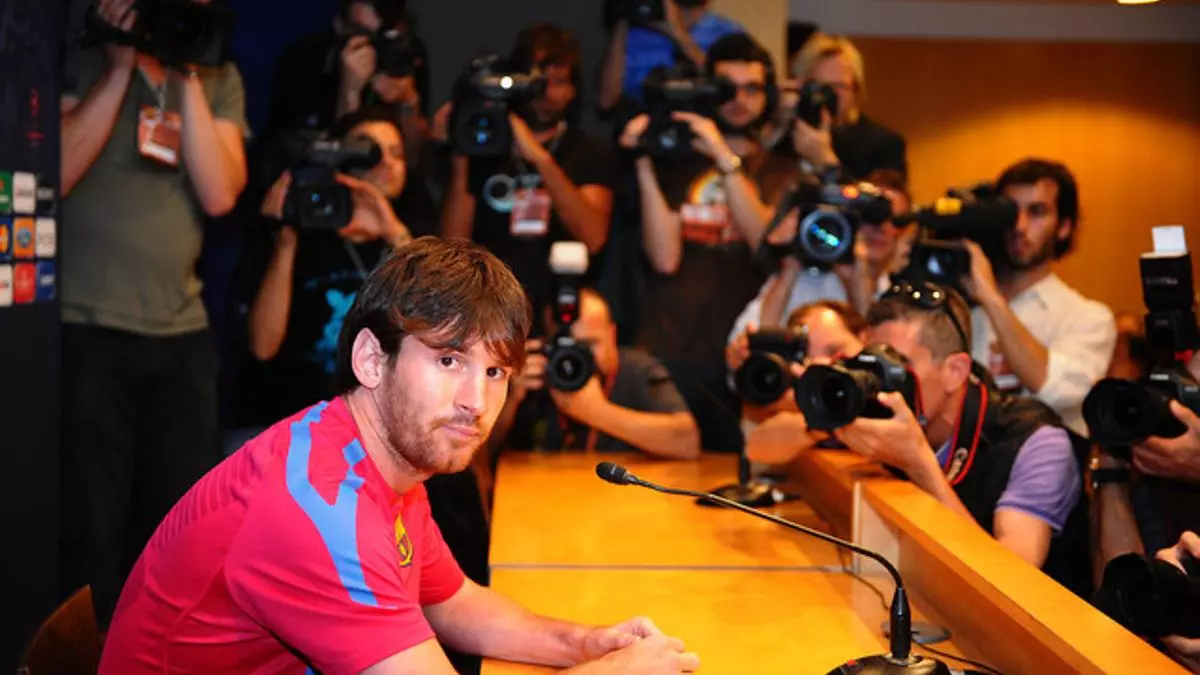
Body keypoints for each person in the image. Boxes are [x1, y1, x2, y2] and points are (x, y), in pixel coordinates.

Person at [98, 237, 702, 674]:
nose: (476, 403)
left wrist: (588, 644)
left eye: (495, 372)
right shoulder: (320, 507)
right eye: (448, 360)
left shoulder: (376, 458)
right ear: (370, 360)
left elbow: (454, 602)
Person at [58, 0, 250, 628]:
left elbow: (221, 193)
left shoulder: (215, 73)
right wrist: (118, 69)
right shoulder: (82, 50)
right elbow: (52, 171)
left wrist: (185, 65)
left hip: (182, 332)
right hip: (89, 326)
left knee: (182, 528)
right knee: (90, 529)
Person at [747, 282, 1088, 589]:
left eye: (897, 366)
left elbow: (1014, 580)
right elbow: (758, 447)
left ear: (954, 371)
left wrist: (918, 463)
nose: (883, 381)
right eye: (874, 363)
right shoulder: (886, 407)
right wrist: (830, 419)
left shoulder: (1037, 441)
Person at [626, 31, 798, 453]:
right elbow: (664, 258)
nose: (739, 99)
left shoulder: (783, 171)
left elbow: (764, 243)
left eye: (752, 88)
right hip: (669, 346)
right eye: (726, 88)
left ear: (768, 96)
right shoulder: (676, 162)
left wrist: (724, 158)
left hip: (740, 355)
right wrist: (643, 160)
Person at [442, 23, 618, 328]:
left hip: (562, 309)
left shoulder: (590, 151)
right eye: (536, 81)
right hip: (487, 308)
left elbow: (594, 237)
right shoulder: (483, 145)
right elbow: (450, 245)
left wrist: (538, 157)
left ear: (574, 89)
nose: (545, 93)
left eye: (558, 82)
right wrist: (463, 149)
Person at [965, 158, 1116, 437]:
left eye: (1036, 212)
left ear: (1064, 227)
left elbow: (1055, 391)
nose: (1019, 226)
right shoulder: (967, 307)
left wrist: (992, 298)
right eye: (1010, 212)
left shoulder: (1089, 318)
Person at [724, 168, 910, 356]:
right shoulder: (807, 280)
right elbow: (744, 347)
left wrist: (857, 282)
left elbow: (876, 354)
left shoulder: (901, 302)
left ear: (906, 233)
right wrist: (790, 261)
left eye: (896, 220)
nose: (882, 228)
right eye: (871, 217)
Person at [501, 289, 701, 460]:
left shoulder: (635, 370)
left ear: (612, 334)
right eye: (567, 346)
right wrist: (511, 396)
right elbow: (489, 458)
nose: (577, 358)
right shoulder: (538, 376)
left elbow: (687, 443)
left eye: (589, 344)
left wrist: (596, 412)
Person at [267, 0, 430, 163]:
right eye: (361, 33)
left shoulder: (405, 53)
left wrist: (408, 101)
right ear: (339, 26)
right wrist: (349, 93)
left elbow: (415, 160)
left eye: (386, 36)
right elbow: (306, 159)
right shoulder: (304, 61)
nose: (374, 47)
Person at [782, 33, 907, 181]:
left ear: (855, 90)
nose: (828, 95)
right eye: (819, 86)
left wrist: (826, 162)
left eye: (838, 86)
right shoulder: (785, 135)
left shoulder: (884, 146)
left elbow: (878, 197)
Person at [598, 0, 743, 115]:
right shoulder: (636, 35)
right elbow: (607, 101)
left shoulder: (729, 34)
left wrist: (677, 34)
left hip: (708, 129)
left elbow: (733, 92)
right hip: (644, 127)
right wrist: (622, 19)